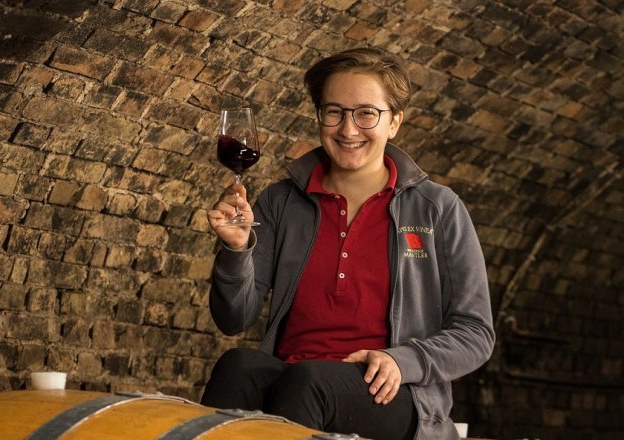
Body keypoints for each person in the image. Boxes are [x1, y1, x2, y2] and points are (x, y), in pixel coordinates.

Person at [201, 47, 495, 440]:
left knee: (310, 382)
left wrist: (404, 360)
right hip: (293, 373)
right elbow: (233, 319)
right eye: (335, 112)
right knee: (237, 366)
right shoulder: (281, 202)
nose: (348, 129)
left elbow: (475, 333)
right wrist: (237, 251)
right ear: (319, 116)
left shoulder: (437, 209)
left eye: (366, 113)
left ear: (394, 122)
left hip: (393, 391)